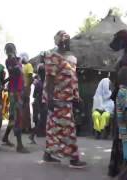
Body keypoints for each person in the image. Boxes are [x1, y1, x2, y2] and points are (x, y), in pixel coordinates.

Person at [41, 30, 86, 168]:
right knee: (68, 128)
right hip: (56, 98)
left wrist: (77, 96)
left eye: (68, 40)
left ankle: (48, 155)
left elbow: (72, 79)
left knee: (53, 127)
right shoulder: (53, 57)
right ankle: (74, 158)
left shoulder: (71, 58)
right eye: (65, 40)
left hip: (67, 97)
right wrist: (49, 99)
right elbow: (49, 79)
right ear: (59, 42)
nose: (68, 42)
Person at [108, 29, 127, 177]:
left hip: (119, 97)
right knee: (125, 132)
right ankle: (123, 169)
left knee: (120, 132)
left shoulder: (123, 59)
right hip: (126, 99)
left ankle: (117, 167)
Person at [2, 43, 29, 153]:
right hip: (15, 91)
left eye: (11, 48)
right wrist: (16, 61)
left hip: (18, 89)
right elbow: (16, 72)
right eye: (8, 49)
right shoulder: (10, 60)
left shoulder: (16, 60)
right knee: (17, 116)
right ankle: (19, 145)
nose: (10, 50)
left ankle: (5, 137)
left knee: (14, 116)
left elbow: (15, 74)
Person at [29, 64, 46, 144]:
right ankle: (32, 135)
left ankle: (33, 135)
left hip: (41, 102)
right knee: (40, 120)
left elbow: (34, 95)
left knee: (41, 120)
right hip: (40, 103)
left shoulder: (40, 83)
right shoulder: (40, 83)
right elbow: (34, 95)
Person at [21, 53, 33, 133]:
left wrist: (27, 88)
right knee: (24, 109)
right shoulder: (22, 67)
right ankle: (24, 127)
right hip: (22, 89)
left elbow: (30, 77)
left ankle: (26, 127)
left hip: (25, 88)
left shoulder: (28, 65)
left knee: (25, 108)